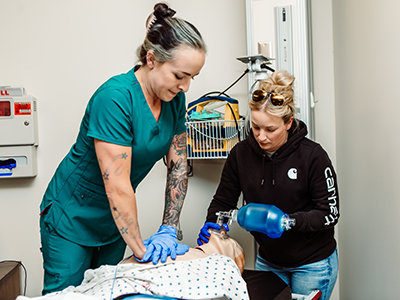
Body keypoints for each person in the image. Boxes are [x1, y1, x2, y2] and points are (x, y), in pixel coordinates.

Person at [39, 2, 206, 295]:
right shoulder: (115, 98)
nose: (186, 87)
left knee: (107, 292)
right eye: (180, 76)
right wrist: (140, 248)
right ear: (151, 59)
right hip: (72, 217)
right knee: (68, 295)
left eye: (192, 77)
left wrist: (168, 228)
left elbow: (178, 165)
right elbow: (117, 185)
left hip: (114, 221)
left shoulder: (174, 101)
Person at [197, 70, 339, 300]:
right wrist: (213, 225)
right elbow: (223, 201)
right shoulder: (240, 155)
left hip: (312, 264)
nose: (261, 136)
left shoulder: (313, 156)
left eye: (270, 129)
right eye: (255, 127)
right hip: (269, 261)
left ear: (289, 122)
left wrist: (288, 221)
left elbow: (329, 213)